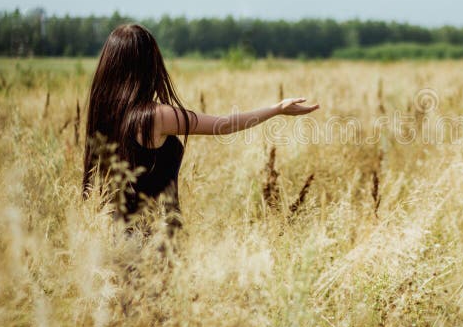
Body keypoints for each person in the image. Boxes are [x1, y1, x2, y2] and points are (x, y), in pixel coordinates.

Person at [81, 23, 319, 234]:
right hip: (155, 239)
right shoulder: (156, 116)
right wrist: (277, 109)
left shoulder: (104, 115)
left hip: (117, 235)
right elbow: (223, 125)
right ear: (149, 66)